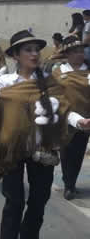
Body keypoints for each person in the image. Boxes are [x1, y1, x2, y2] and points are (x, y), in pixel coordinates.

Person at [0, 30, 83, 239]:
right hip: (11, 149)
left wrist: (80, 121)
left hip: (42, 149)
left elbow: (63, 109)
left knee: (39, 201)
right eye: (28, 50)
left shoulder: (48, 81)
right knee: (14, 202)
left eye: (36, 49)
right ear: (15, 55)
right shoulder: (4, 83)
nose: (34, 54)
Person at [53, 36, 90, 201]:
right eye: (75, 52)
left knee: (78, 152)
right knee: (66, 153)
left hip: (85, 120)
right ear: (67, 54)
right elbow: (53, 95)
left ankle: (70, 184)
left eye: (81, 51)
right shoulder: (58, 71)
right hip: (64, 119)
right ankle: (68, 181)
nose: (79, 55)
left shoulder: (88, 71)